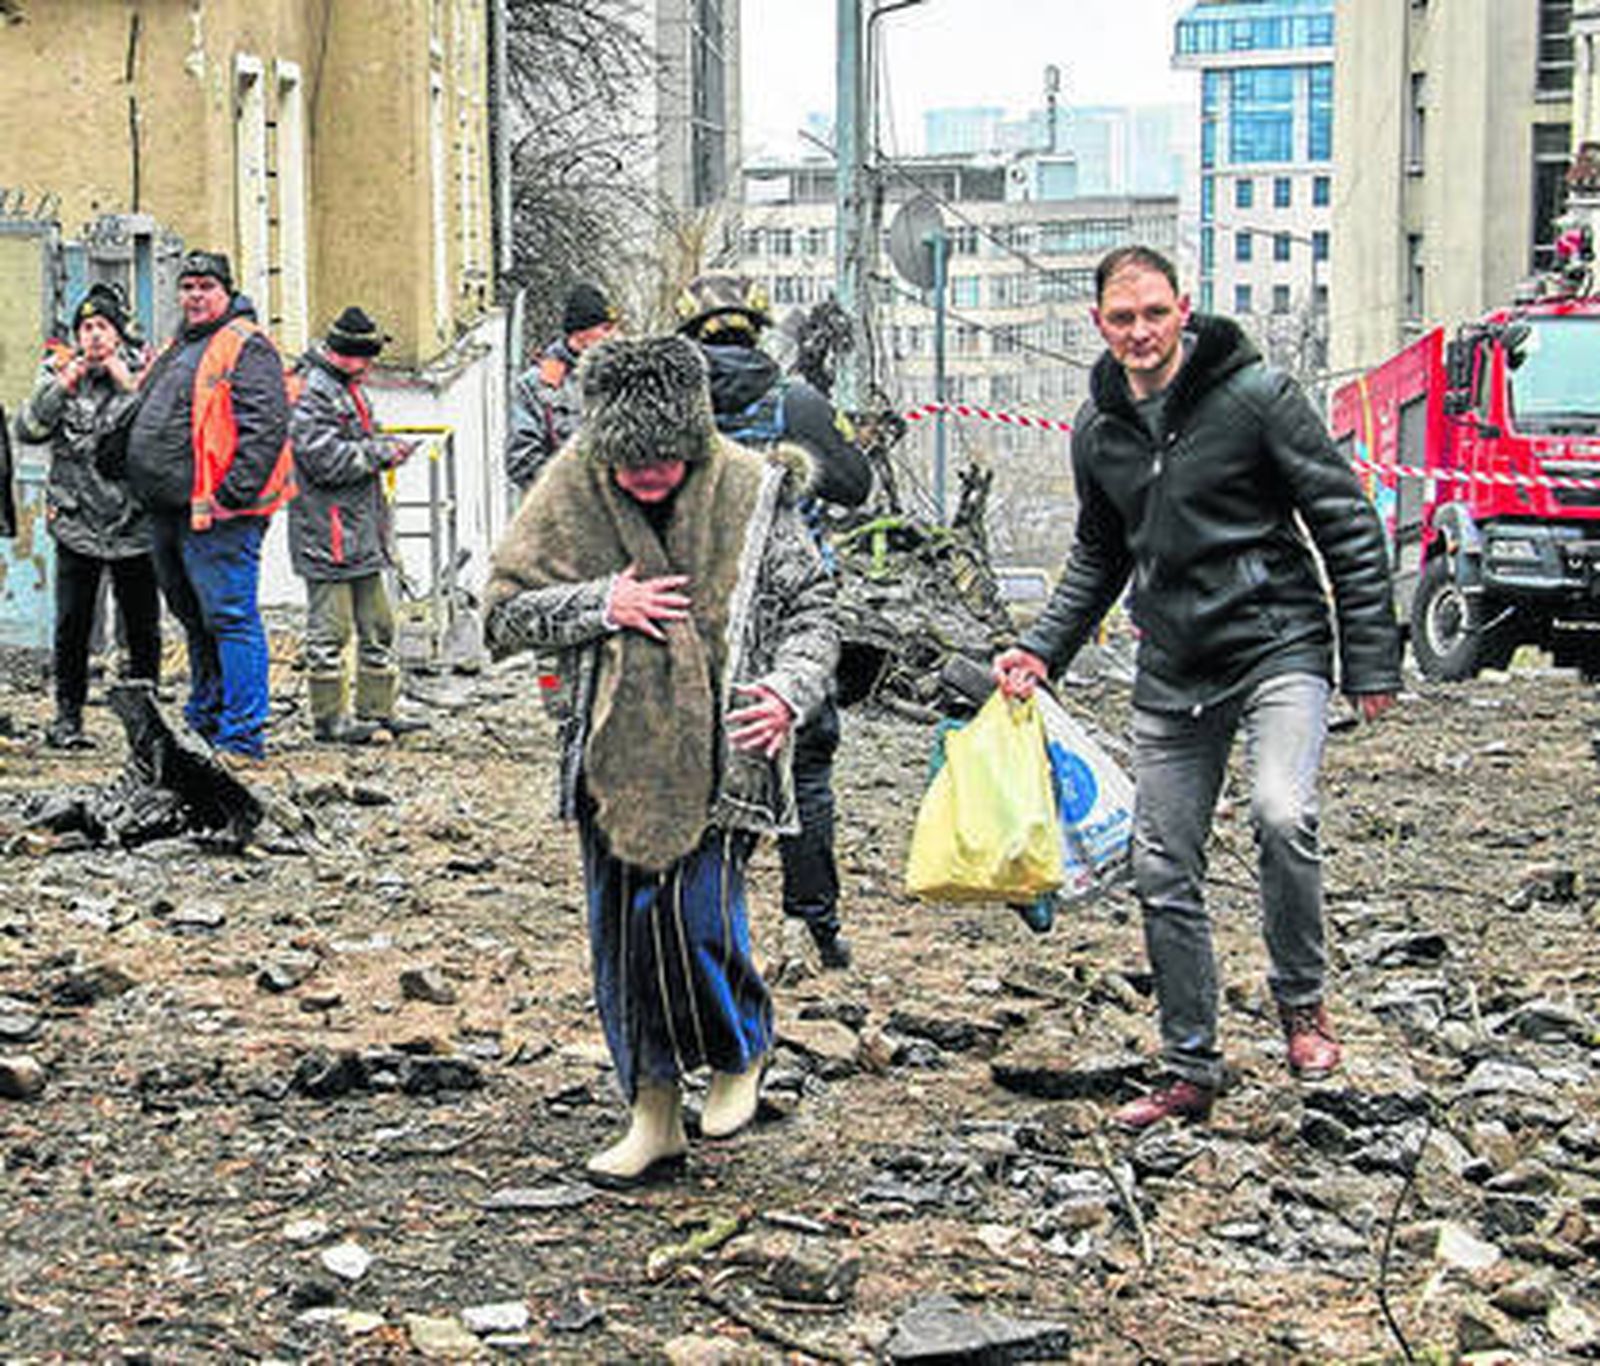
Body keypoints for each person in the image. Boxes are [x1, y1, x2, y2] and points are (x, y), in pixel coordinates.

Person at [993, 244, 1401, 1130]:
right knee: (1159, 862)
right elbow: (1099, 557)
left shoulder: (1256, 397)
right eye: (1121, 319)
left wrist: (1370, 659)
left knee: (1281, 812)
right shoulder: (1098, 430)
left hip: (1277, 645)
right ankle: (1189, 1068)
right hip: (1173, 669)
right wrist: (1040, 653)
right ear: (1099, 325)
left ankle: (1302, 1005)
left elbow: (1345, 522)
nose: (1139, 333)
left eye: (1153, 314)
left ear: (1184, 309)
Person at [483, 335, 837, 1185]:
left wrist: (789, 691)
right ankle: (651, 1110)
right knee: (623, 938)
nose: (646, 478)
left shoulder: (753, 492)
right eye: (628, 465)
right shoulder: (570, 485)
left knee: (689, 917)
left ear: (696, 443)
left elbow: (814, 609)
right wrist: (601, 601)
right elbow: (501, 613)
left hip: (728, 749)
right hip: (611, 755)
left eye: (664, 463)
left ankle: (739, 1045)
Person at [676, 273, 872, 971]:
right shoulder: (795, 401)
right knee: (808, 767)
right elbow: (856, 485)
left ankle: (704, 930)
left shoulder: (670, 404)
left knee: (698, 772)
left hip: (698, 611)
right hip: (792, 606)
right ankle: (810, 925)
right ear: (758, 329)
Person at [126, 250, 294, 765]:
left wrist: (231, 495)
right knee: (195, 619)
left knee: (228, 616)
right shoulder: (180, 344)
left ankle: (242, 736)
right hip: (168, 509)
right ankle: (205, 718)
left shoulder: (246, 346)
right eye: (188, 286)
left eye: (205, 287)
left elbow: (265, 426)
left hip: (217, 515)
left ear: (225, 292)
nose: (195, 296)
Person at [14, 282, 161, 749]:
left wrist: (129, 386)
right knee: (73, 624)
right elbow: (28, 429)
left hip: (133, 522)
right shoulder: (59, 373)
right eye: (86, 327)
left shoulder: (144, 374)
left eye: (102, 327)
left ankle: (147, 727)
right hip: (77, 521)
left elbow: (160, 434)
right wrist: (61, 387)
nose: (94, 336)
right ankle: (68, 716)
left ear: (118, 334)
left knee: (140, 627)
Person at [287, 306, 427, 745]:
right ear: (346, 354)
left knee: (379, 625)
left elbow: (357, 441)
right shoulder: (313, 393)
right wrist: (380, 453)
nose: (369, 366)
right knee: (330, 630)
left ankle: (377, 710)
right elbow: (322, 458)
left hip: (362, 529)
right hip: (327, 531)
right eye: (364, 357)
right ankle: (330, 719)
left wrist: (382, 444)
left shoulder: (348, 390)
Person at [504, 281, 619, 497]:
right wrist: (573, 490)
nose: (613, 335)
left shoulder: (620, 376)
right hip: (560, 512)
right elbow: (521, 460)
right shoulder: (537, 384)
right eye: (605, 328)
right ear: (581, 333)